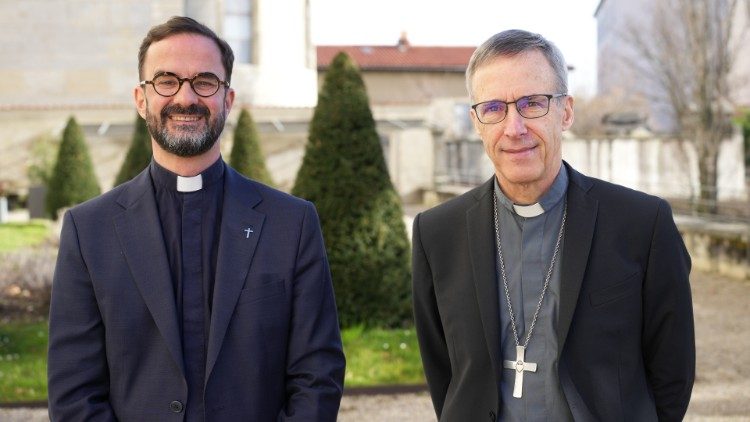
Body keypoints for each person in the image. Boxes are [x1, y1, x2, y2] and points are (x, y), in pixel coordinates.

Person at [47, 16, 345, 421]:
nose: (185, 98)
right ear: (141, 99)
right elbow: (73, 391)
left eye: (205, 81)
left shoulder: (291, 224)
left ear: (228, 99)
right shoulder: (89, 230)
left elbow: (317, 374)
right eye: (167, 81)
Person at [412, 29, 694, 422]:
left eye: (532, 103)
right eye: (494, 108)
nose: (514, 128)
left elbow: (673, 372)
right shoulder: (437, 233)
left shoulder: (641, 225)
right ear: (477, 121)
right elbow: (444, 372)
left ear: (566, 111)